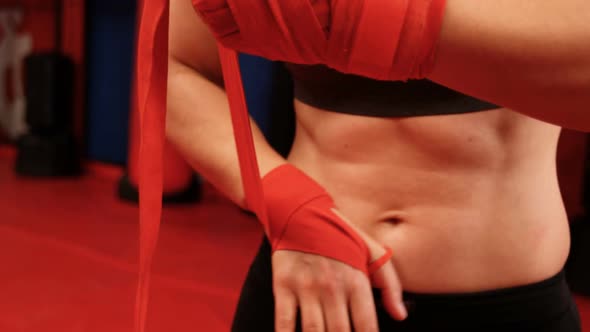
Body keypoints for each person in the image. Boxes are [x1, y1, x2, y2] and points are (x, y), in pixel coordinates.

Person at [136, 0, 589, 331]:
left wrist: (383, 24)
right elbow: (173, 67)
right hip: (312, 282)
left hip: (507, 304)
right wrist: (283, 202)